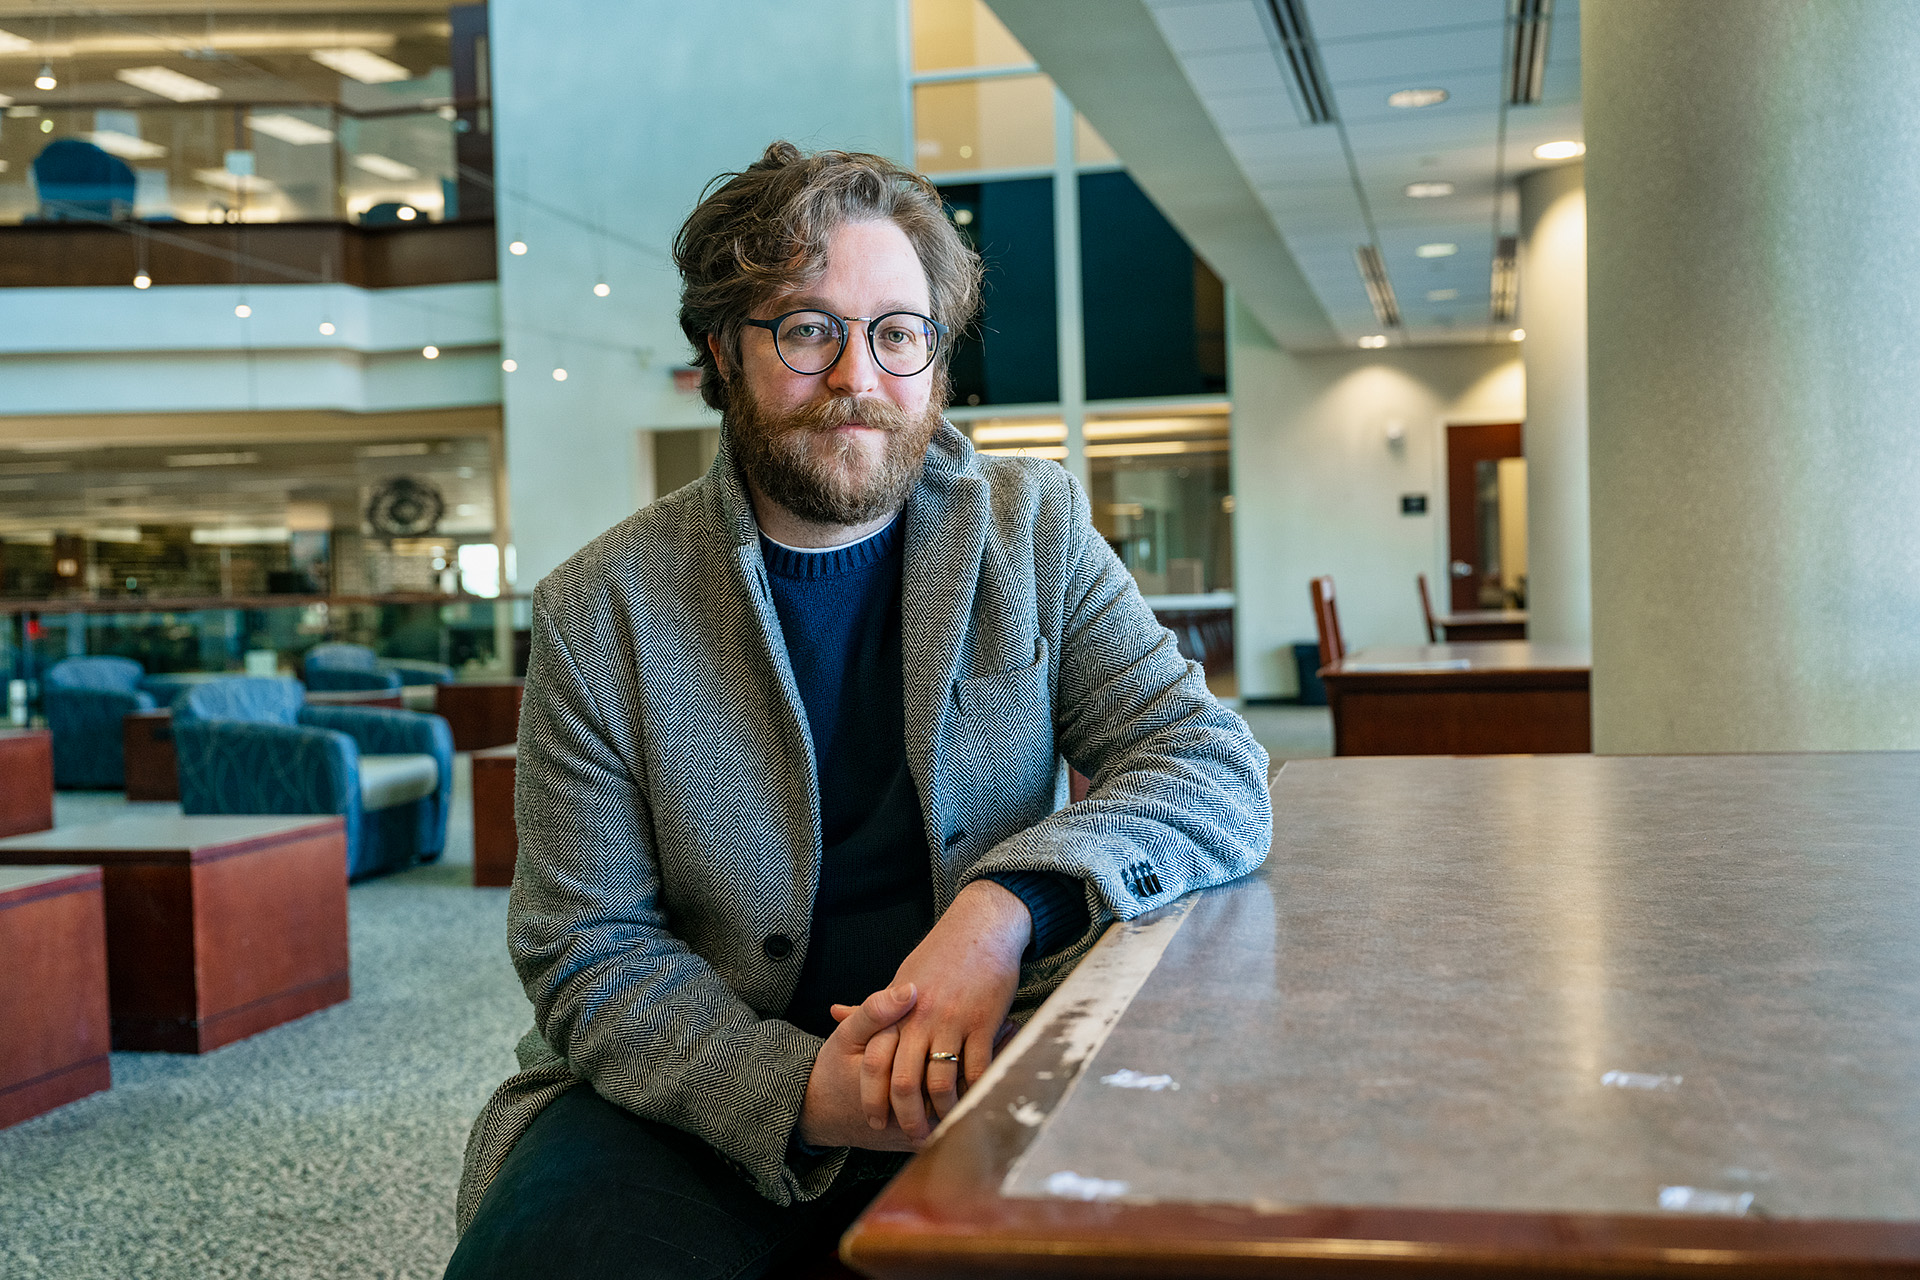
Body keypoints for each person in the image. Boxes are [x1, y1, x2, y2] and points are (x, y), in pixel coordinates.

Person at [445, 141, 1271, 1279]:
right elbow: (584, 941)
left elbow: (1206, 761)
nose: (857, 376)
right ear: (720, 355)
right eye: (805, 328)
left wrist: (1005, 904)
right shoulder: (601, 606)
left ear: (934, 361)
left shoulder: (1030, 529)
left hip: (989, 1048)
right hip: (687, 1084)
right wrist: (798, 1090)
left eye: (896, 332)